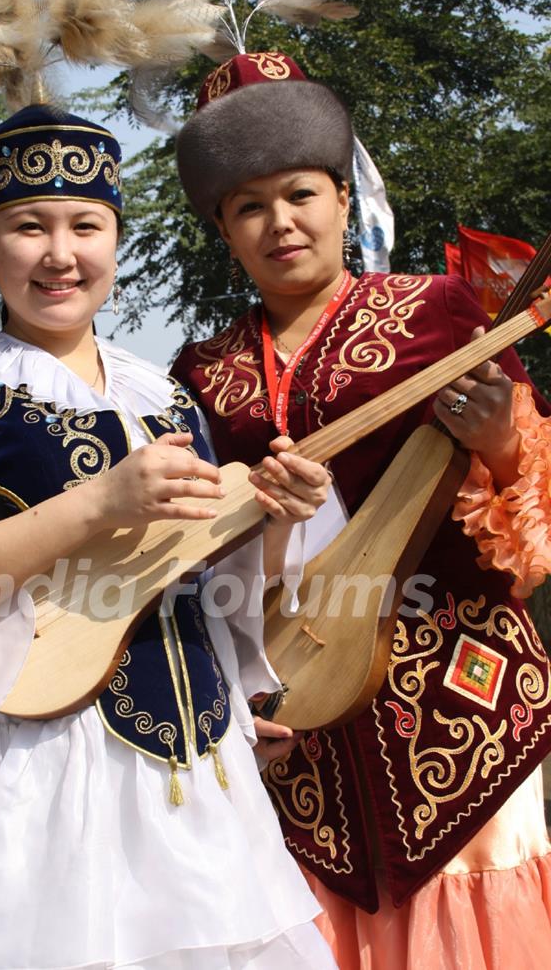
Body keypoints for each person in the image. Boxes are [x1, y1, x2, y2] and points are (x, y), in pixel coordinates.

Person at [0, 105, 340, 970]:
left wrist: (277, 525)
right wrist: (99, 503)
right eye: (29, 226)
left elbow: (213, 589)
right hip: (39, 770)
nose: (61, 254)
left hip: (203, 777)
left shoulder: (168, 398)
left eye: (86, 225)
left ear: (116, 238)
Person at [172, 51, 551, 969]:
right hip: (295, 721)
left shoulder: (438, 311)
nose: (281, 223)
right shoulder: (198, 371)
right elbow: (187, 552)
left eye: (300, 193)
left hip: (457, 705)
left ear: (344, 197)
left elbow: (533, 513)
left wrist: (502, 439)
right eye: (249, 206)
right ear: (225, 230)